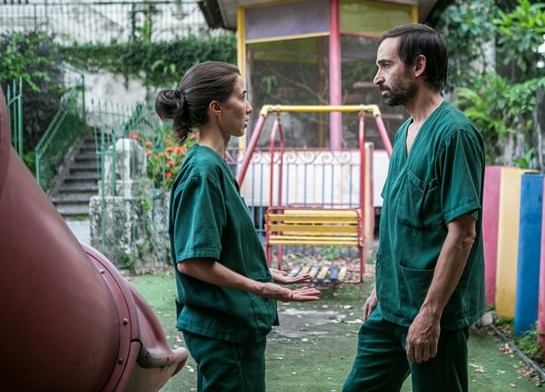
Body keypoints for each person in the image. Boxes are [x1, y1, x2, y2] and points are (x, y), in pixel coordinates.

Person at [155, 61, 320, 392]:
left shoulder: (213, 165)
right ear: (217, 108)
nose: (248, 106)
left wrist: (268, 273)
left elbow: (223, 247)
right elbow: (194, 262)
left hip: (233, 326)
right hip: (222, 330)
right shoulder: (203, 171)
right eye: (242, 97)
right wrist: (262, 288)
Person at [342, 24, 485, 392]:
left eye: (386, 65)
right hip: (390, 306)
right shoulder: (406, 131)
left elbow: (462, 234)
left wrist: (431, 314)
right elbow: (397, 221)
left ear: (418, 66)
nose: (377, 77)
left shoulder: (455, 135)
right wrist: (381, 287)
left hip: (432, 313)